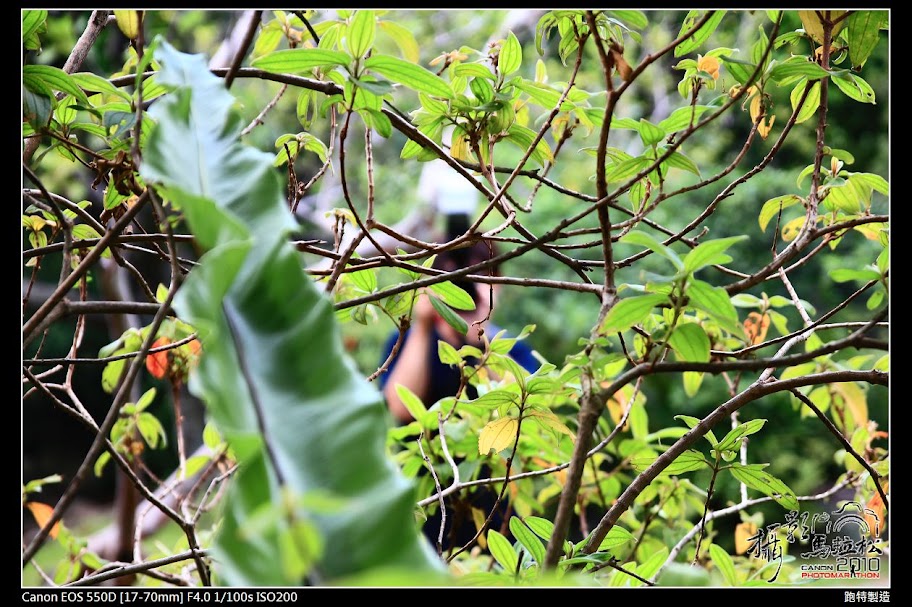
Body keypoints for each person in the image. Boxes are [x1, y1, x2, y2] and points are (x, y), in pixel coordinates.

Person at [376, 237, 539, 551]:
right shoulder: (408, 341)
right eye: (456, 283)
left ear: (498, 286)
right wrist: (424, 326)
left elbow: (523, 409)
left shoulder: (512, 349)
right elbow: (400, 407)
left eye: (481, 279)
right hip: (421, 505)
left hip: (496, 511)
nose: (466, 294)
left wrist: (482, 336)